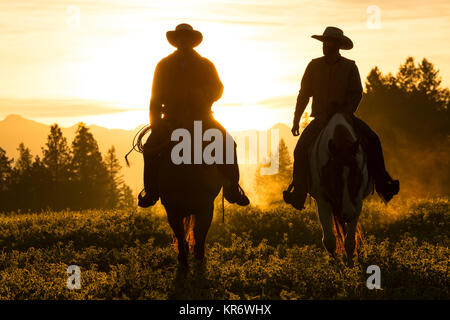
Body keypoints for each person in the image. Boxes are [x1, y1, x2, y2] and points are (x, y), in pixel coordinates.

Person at [283, 26, 399, 210]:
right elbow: (304, 94)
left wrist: (346, 111)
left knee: (374, 140)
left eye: (329, 41)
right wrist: (296, 120)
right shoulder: (314, 65)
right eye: (324, 41)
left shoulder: (350, 66)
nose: (325, 45)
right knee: (300, 150)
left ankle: (383, 183)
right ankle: (299, 192)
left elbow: (356, 93)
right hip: (321, 118)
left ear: (337, 45)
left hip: (345, 115)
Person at [138, 23, 250, 208]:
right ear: (175, 42)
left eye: (186, 39)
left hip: (202, 117)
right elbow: (155, 97)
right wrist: (156, 123)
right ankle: (151, 191)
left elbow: (218, 88)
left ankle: (232, 188)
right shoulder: (163, 65)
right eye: (180, 38)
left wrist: (205, 93)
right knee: (150, 148)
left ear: (192, 42)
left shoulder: (206, 64)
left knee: (229, 144)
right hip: (172, 118)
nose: (183, 42)